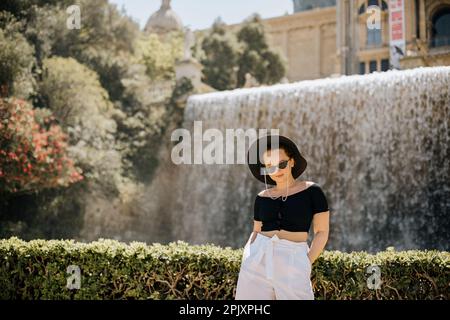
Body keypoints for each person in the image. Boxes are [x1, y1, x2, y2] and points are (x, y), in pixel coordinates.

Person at [235, 135, 330, 300]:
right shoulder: (261, 196)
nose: (276, 171)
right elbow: (256, 231)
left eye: (282, 164)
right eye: (270, 167)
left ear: (292, 161)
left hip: (293, 257)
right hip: (257, 259)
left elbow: (322, 231)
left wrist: (306, 262)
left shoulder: (312, 191)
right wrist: (248, 258)